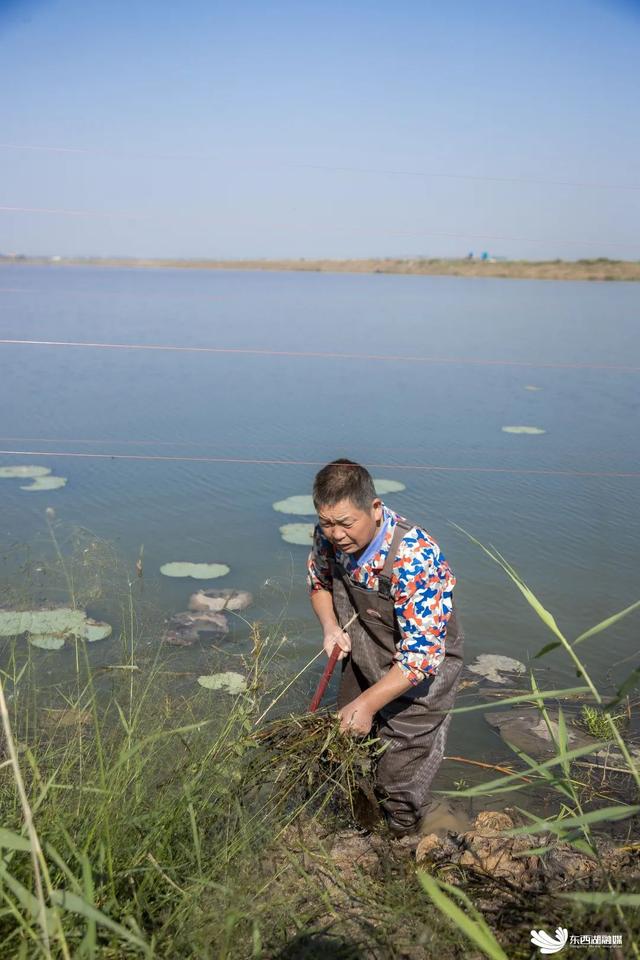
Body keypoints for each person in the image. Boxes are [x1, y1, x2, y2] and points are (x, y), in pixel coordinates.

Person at [306, 458, 464, 837]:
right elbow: (319, 583)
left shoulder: (415, 556)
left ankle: (405, 845)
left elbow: (421, 659)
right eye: (327, 523)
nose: (336, 534)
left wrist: (366, 704)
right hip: (365, 654)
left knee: (398, 780)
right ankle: (363, 829)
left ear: (374, 509)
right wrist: (330, 627)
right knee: (348, 756)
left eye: (346, 523)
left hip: (420, 675)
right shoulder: (327, 537)